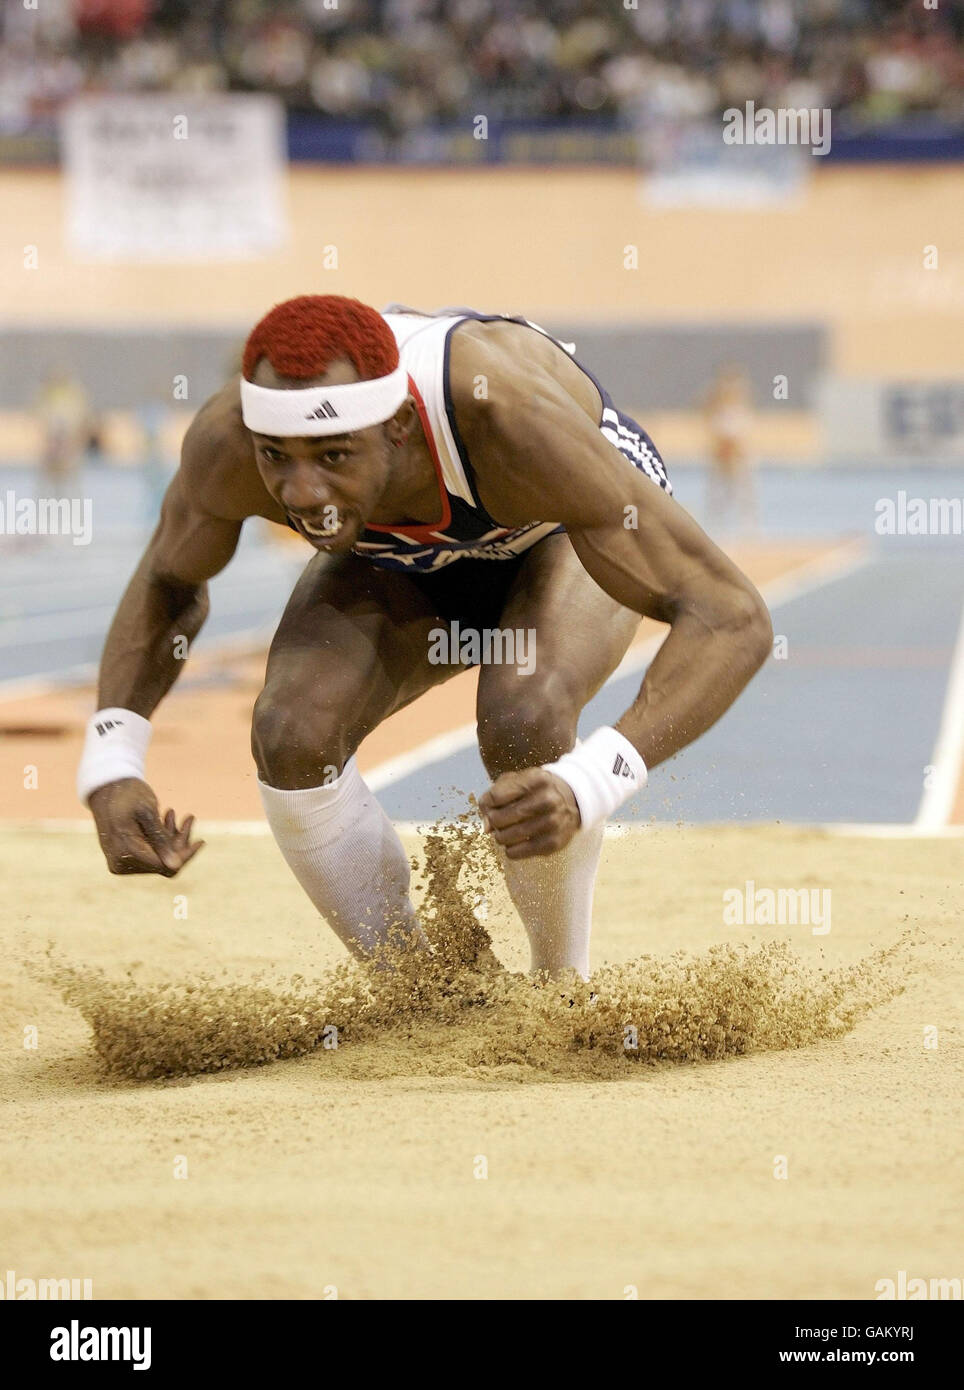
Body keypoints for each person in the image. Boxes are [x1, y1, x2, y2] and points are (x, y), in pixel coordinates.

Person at [77, 296, 772, 979]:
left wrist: (590, 782)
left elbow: (731, 616)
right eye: (276, 459)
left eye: (333, 455)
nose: (303, 492)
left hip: (555, 528)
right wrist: (111, 762)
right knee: (292, 731)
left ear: (402, 425)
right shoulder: (230, 440)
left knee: (523, 716)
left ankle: (561, 987)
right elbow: (168, 580)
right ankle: (416, 995)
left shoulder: (508, 419)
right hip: (403, 554)